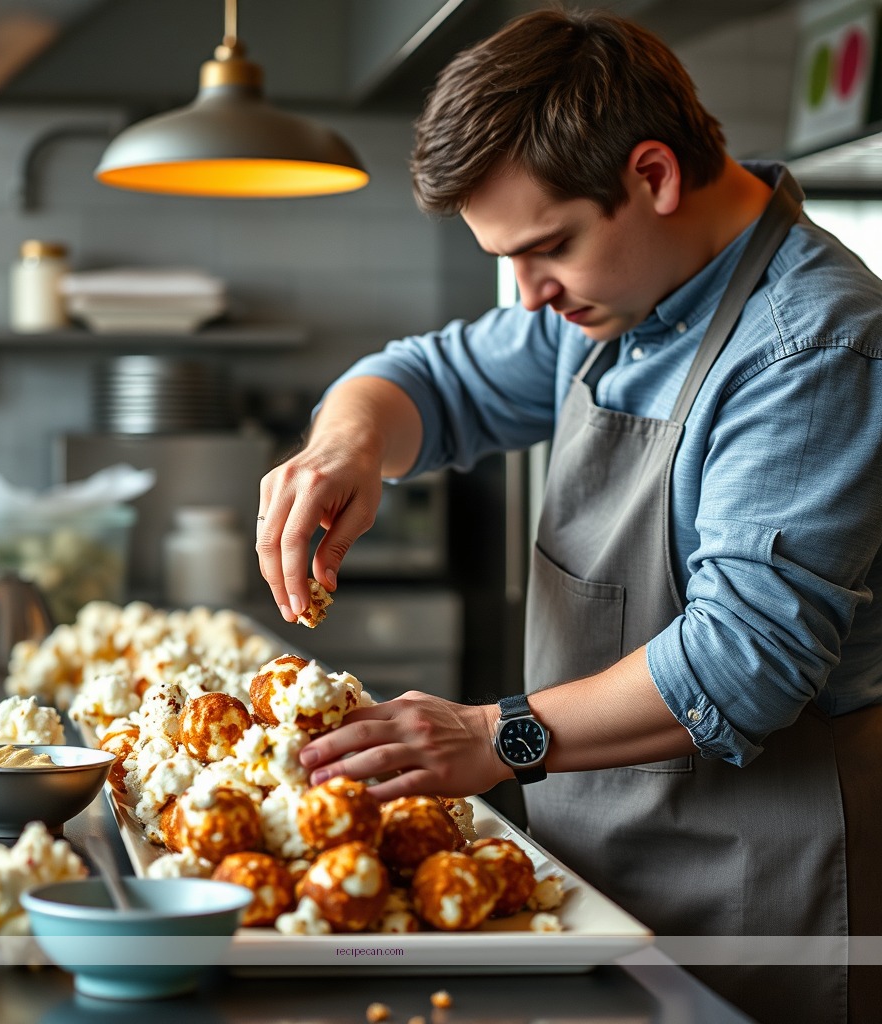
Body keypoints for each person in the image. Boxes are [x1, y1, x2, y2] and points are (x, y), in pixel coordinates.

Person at [254, 6, 882, 1022]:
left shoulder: (811, 344)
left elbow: (744, 659)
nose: (529, 294)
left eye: (547, 248)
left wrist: (487, 733)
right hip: (594, 866)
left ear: (653, 175)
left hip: (756, 893)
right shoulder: (615, 299)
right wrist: (344, 444)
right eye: (508, 258)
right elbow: (426, 378)